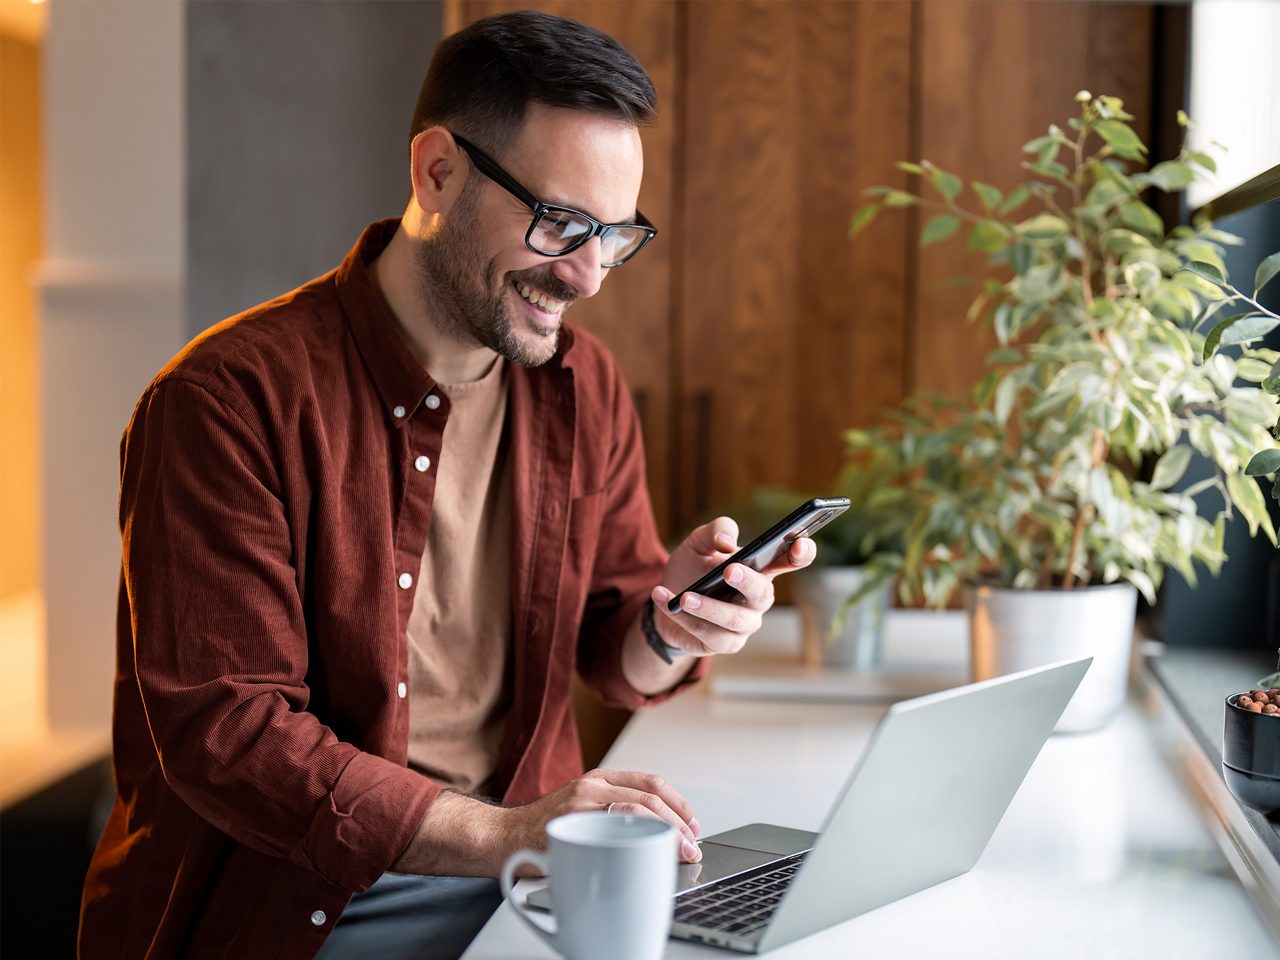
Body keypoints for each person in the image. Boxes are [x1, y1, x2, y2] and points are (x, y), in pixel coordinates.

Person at [78, 12, 816, 960]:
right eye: (560, 224)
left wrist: (672, 625)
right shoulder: (225, 402)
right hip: (307, 910)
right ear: (437, 172)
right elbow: (232, 737)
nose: (589, 275)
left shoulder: (581, 387)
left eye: (616, 235)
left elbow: (608, 652)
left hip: (527, 879)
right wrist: (514, 833)